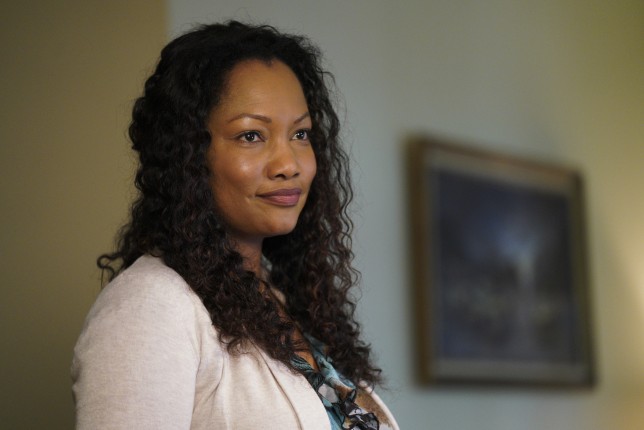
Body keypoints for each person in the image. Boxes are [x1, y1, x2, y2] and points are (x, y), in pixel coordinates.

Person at [71, 21, 399, 430]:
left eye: (300, 133)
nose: (289, 165)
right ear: (189, 155)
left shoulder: (281, 302)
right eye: (251, 136)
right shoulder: (152, 306)